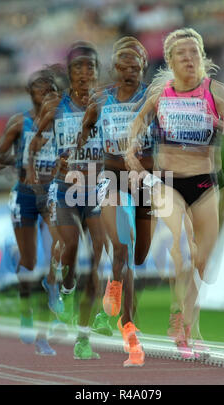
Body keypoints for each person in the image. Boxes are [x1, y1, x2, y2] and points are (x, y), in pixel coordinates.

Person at [126, 28, 224, 359]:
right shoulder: (160, 95)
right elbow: (135, 128)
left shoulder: (213, 93)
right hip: (168, 181)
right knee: (182, 248)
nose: (189, 59)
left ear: (202, 57)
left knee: (201, 262)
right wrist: (132, 153)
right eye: (182, 54)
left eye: (194, 52)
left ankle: (186, 325)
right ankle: (184, 329)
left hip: (205, 182)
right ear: (170, 60)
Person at [78, 36, 153, 367]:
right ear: (114, 68)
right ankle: (131, 334)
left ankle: (116, 279)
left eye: (134, 67)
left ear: (142, 69)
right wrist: (77, 154)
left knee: (137, 255)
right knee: (123, 244)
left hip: (144, 180)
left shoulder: (152, 98)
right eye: (121, 66)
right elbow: (85, 131)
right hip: (111, 176)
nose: (128, 72)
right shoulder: (101, 99)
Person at [28, 41, 105, 360]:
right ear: (70, 73)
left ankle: (83, 338)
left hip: (97, 190)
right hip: (65, 191)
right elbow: (34, 145)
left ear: (97, 72)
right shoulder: (55, 106)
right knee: (71, 249)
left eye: (91, 66)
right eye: (78, 67)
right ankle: (66, 285)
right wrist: (45, 170)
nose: (85, 72)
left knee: (98, 260)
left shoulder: (106, 103)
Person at [0, 69, 62, 355]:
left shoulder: (62, 123)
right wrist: (17, 161)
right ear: (30, 94)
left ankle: (52, 288)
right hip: (24, 195)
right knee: (30, 262)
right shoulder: (20, 122)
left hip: (52, 193)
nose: (44, 96)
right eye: (39, 91)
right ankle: (25, 310)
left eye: (49, 91)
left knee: (61, 244)